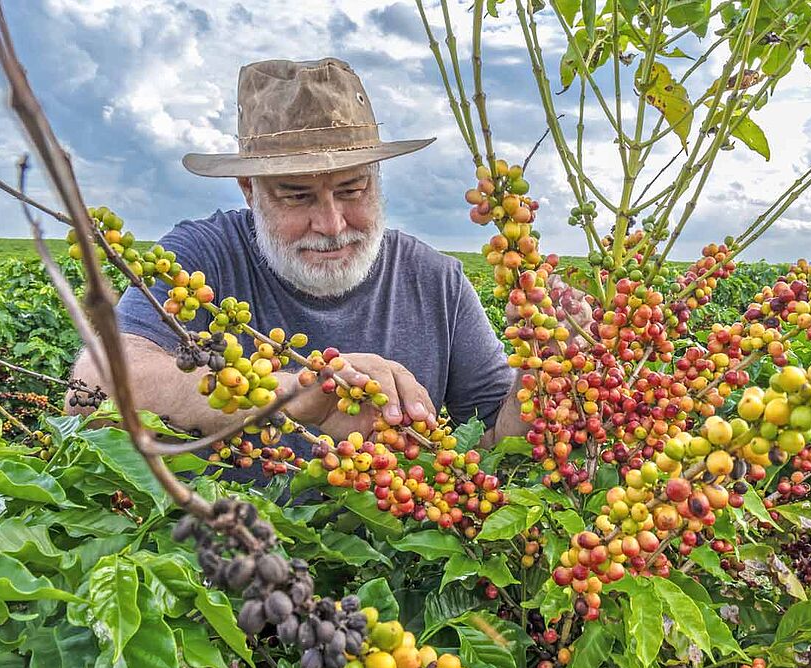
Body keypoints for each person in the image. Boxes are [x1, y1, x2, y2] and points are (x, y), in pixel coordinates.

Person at [65, 58, 526, 467]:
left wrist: (546, 371)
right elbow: (91, 391)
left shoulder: (436, 281)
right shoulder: (201, 259)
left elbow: (500, 447)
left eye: (351, 189)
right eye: (296, 195)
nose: (330, 223)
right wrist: (287, 394)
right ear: (250, 189)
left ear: (377, 177)